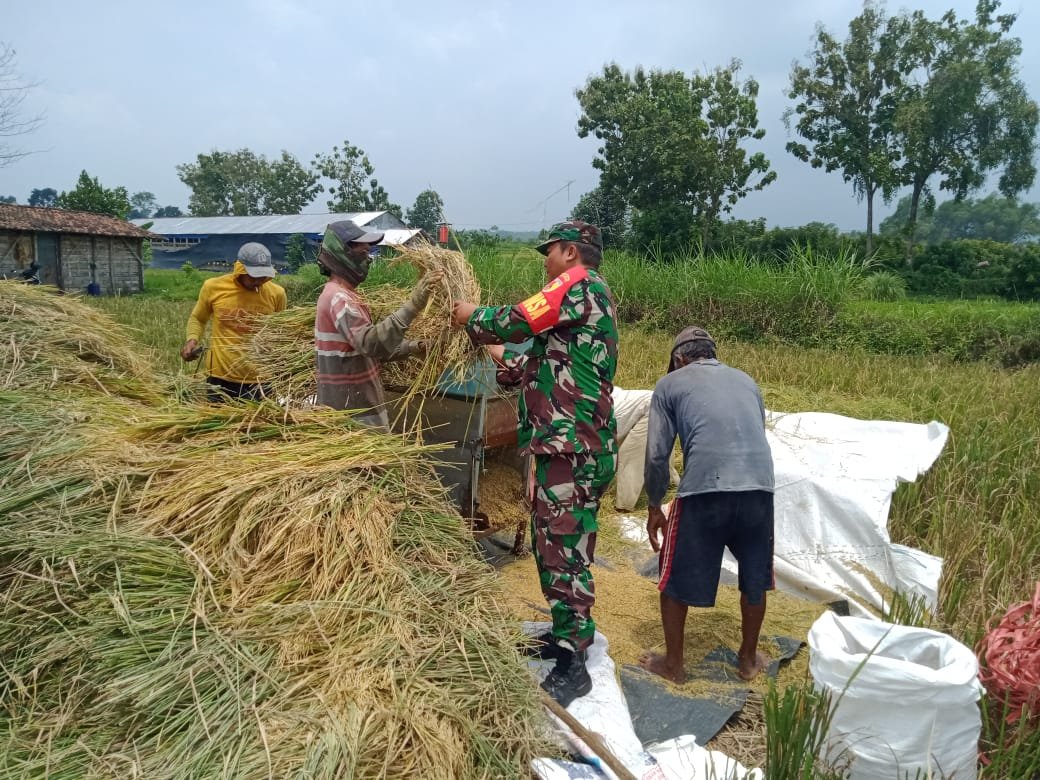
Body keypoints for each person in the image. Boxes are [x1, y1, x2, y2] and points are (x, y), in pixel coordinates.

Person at [451, 220, 618, 708]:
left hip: (572, 448)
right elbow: (538, 364)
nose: (545, 262)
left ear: (570, 251)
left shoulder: (577, 283)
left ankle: (574, 663)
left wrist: (469, 316)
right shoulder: (583, 303)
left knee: (564, 549)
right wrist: (499, 355)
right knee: (554, 543)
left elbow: (520, 318)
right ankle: (563, 633)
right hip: (564, 446)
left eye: (549, 253)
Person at [641, 326, 775, 683]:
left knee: (672, 578)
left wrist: (655, 506)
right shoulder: (747, 381)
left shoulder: (670, 384)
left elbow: (657, 456)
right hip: (760, 489)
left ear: (680, 359)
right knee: (754, 578)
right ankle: (747, 660)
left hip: (704, 491)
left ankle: (673, 665)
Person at [313, 220, 441, 429]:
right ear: (341, 253)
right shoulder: (339, 298)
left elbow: (370, 352)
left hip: (356, 410)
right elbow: (371, 343)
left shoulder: (344, 295)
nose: (368, 259)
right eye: (362, 252)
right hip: (352, 416)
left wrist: (414, 347)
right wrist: (414, 304)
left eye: (368, 252)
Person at [181, 242, 287, 402]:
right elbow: (198, 318)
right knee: (219, 424)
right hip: (220, 377)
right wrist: (192, 340)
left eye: (263, 276)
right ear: (240, 269)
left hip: (259, 379)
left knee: (259, 426)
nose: (259, 280)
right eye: (253, 276)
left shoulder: (277, 294)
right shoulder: (213, 287)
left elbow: (282, 332)